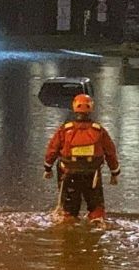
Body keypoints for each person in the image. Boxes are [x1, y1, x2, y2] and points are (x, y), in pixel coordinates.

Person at [44, 94, 120, 224]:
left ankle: (69, 229)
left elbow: (52, 150)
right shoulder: (99, 131)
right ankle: (97, 227)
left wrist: (48, 168)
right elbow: (110, 153)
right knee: (96, 209)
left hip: (68, 174)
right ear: (91, 109)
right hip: (92, 175)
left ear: (74, 108)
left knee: (68, 211)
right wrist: (114, 173)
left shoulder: (64, 130)